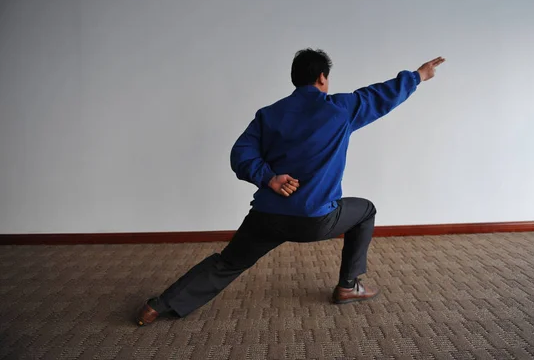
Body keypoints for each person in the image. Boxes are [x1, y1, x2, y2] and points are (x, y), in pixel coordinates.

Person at [136, 49, 445, 325]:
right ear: (322, 77)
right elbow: (382, 95)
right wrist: (418, 75)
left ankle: (159, 305)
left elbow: (239, 154)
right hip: (315, 221)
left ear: (295, 80)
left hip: (267, 217)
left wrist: (268, 177)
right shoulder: (341, 108)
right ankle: (348, 286)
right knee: (365, 210)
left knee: (227, 262)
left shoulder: (269, 114)